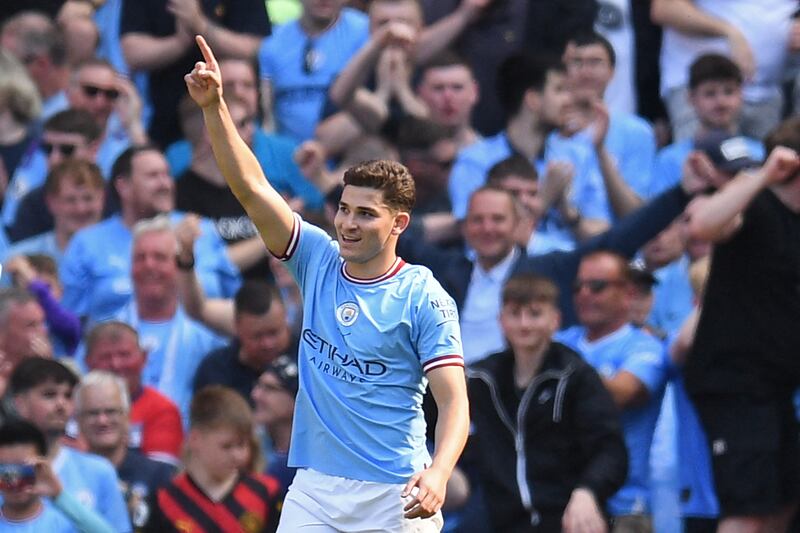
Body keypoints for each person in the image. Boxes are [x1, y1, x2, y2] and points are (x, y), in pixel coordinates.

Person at [186, 35, 469, 530]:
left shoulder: (422, 295)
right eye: (343, 208)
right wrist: (215, 108)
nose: (348, 223)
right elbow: (252, 188)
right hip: (315, 489)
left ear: (399, 224)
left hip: (396, 490)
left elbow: (453, 402)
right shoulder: (315, 257)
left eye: (365, 213)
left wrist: (439, 473)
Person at [682, 121, 800, 531]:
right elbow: (703, 226)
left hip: (776, 387)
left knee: (784, 504)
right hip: (735, 382)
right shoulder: (756, 206)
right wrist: (764, 173)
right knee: (747, 513)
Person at [468, 272, 628, 531]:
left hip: (565, 517)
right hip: (499, 519)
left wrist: (588, 492)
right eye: (515, 313)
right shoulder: (482, 377)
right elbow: (433, 413)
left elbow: (610, 450)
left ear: (555, 320)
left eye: (534, 314)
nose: (524, 324)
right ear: (501, 321)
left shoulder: (576, 376)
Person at [556, 251, 669, 531]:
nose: (584, 294)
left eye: (597, 286)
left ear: (629, 293)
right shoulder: (560, 341)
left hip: (625, 506)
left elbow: (624, 393)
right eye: (577, 287)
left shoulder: (645, 347)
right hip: (559, 499)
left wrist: (561, 375)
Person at [8, 357, 132, 532]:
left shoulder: (99, 471)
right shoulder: (5, 470)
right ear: (20, 404)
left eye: (67, 395)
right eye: (49, 395)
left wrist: (61, 498)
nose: (61, 404)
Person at [144, 386, 281, 532]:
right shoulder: (165, 502)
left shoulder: (266, 493)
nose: (238, 455)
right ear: (195, 439)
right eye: (226, 446)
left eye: (242, 445)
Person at [74, 371, 175, 531]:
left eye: (111, 411)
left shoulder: (160, 475)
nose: (103, 420)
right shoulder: (65, 475)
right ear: (78, 421)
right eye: (93, 413)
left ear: (128, 418)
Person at [84, 321, 184, 464]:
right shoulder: (72, 405)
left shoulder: (162, 410)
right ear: (88, 362)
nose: (116, 364)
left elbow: (159, 473)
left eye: (124, 355)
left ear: (143, 358)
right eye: (105, 357)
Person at [0, 417, 116, 533]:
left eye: (25, 470)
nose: (15, 480)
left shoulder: (67, 520)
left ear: (42, 466)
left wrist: (59, 495)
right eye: (6, 472)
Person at [193, 280, 292, 404]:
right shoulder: (216, 372)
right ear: (237, 327)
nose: (267, 344)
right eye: (257, 336)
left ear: (286, 319)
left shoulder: (308, 360)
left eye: (274, 332)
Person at [252, 355, 299, 502]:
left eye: (270, 389)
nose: (256, 395)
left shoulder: (308, 462)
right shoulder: (248, 446)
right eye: (259, 385)